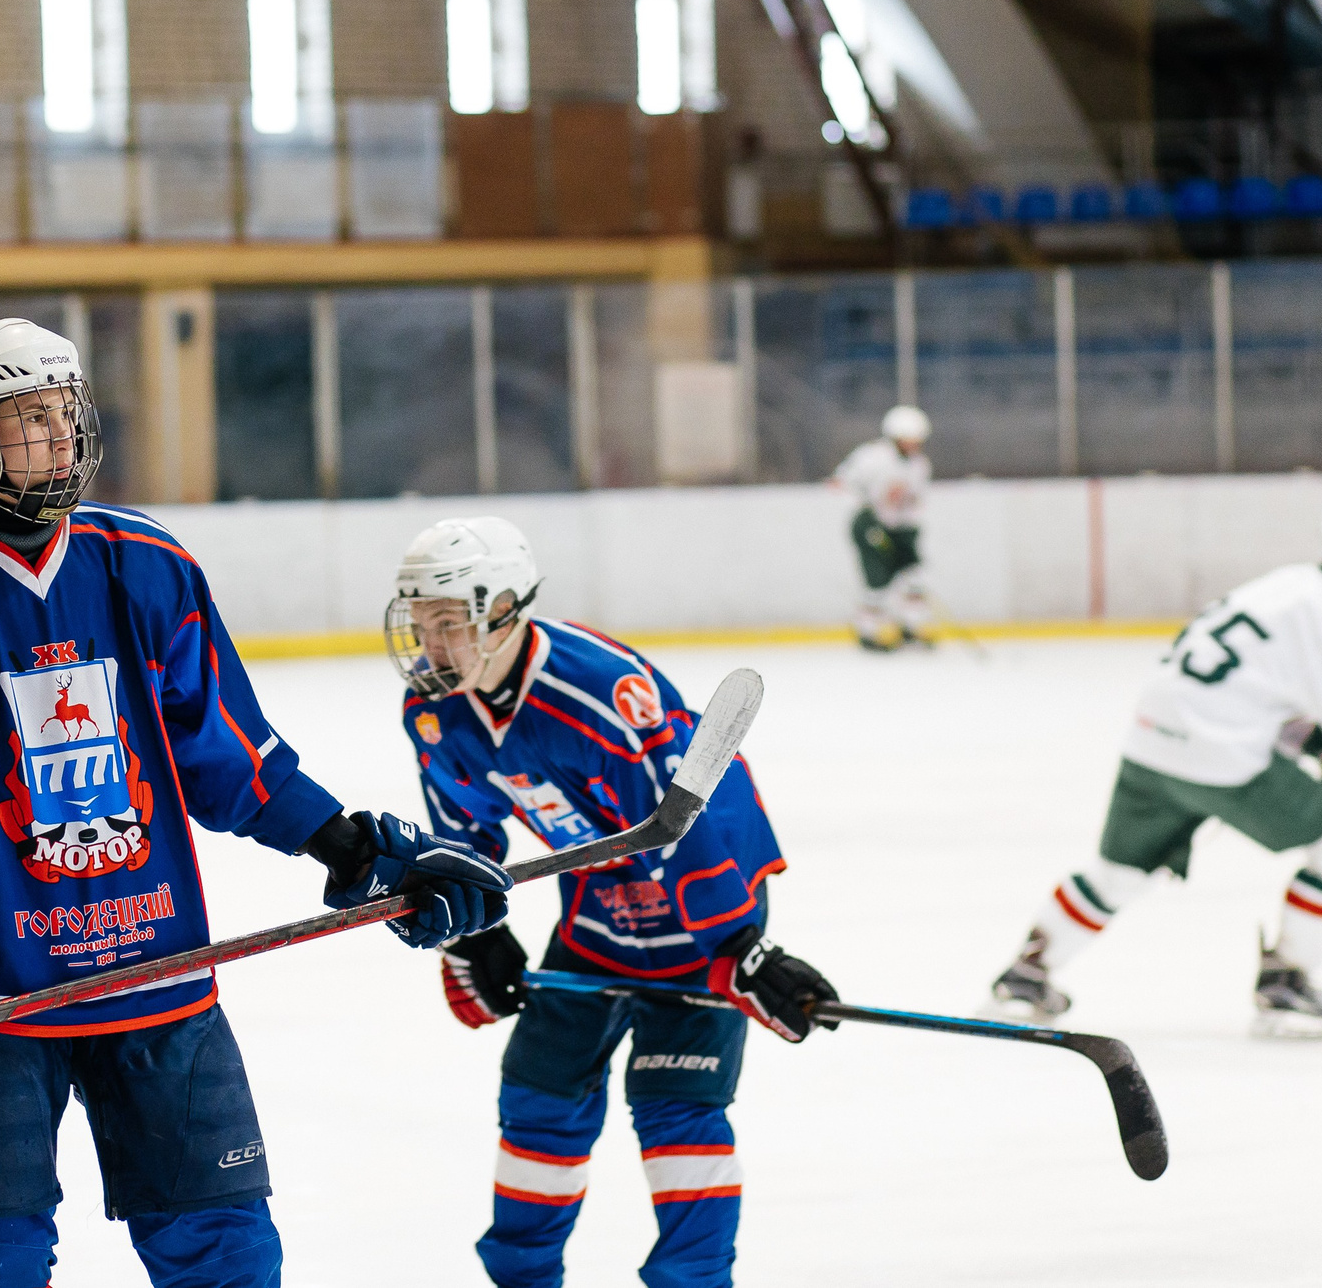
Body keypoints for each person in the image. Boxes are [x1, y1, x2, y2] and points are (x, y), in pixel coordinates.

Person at [0, 318, 513, 1288]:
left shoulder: (146, 565)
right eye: (29, 419)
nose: (60, 437)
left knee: (228, 1250)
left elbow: (233, 759)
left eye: (67, 413)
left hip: (158, 976)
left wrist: (351, 847)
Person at [386, 515, 839, 1288]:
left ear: (502, 610)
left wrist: (738, 948)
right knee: (539, 1094)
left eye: (449, 624)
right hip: (600, 905)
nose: (431, 645)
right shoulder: (439, 713)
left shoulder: (598, 692)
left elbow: (686, 821)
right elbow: (466, 838)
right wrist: (472, 932)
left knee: (676, 1107)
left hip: (709, 900)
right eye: (421, 624)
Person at [991, 495, 1322, 1037]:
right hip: (1221, 757)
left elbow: (1251, 685)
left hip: (1151, 740)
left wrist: (1315, 740)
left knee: (1119, 874)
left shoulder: (1286, 586)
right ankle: (1287, 982)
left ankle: (1026, 976)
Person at [833, 406, 933, 651]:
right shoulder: (871, 457)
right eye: (909, 439)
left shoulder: (919, 465)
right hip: (869, 524)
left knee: (914, 575)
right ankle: (867, 631)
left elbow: (913, 502)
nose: (913, 444)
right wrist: (865, 512)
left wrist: (910, 531)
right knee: (877, 579)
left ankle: (911, 627)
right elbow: (842, 482)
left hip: (899, 527)